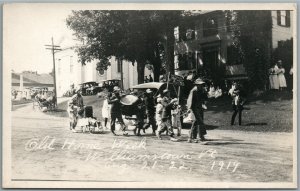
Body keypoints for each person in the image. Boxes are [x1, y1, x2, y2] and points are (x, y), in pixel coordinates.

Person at [187, 78, 208, 143]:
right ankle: (200, 137)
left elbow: (203, 98)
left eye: (202, 84)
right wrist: (189, 108)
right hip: (194, 107)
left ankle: (192, 137)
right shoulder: (194, 91)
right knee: (200, 121)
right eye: (200, 84)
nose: (201, 85)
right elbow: (190, 100)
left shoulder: (201, 90)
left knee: (196, 122)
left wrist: (204, 104)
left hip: (200, 107)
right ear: (197, 84)